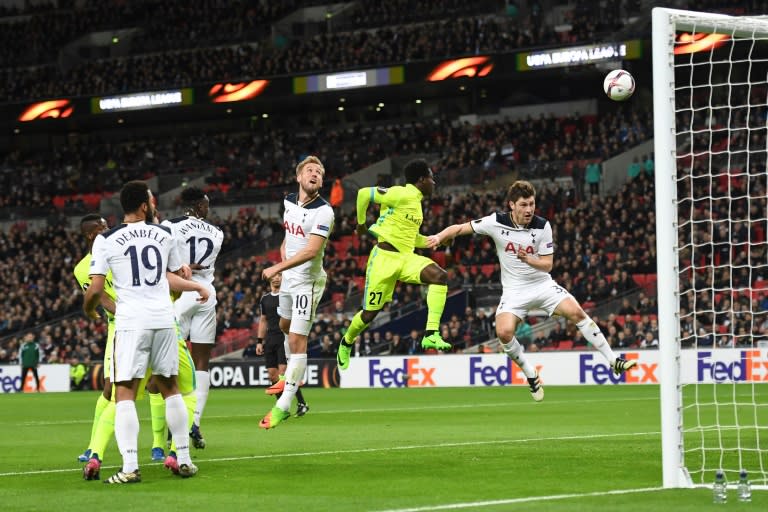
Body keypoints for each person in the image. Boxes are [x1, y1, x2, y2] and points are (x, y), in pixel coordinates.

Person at [428, 180, 637, 401]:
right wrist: (439, 237)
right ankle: (531, 374)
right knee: (504, 333)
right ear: (512, 205)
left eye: (532, 204)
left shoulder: (542, 226)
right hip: (514, 291)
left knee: (576, 313)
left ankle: (614, 361)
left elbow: (548, 265)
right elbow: (460, 228)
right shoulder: (496, 222)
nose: (529, 209)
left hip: (542, 285)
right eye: (524, 205)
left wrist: (530, 259)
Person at [84, 180, 205, 483]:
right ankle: (184, 459)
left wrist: (88, 309)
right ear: (144, 205)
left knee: (124, 393)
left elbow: (96, 288)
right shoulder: (165, 232)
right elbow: (175, 276)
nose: (153, 205)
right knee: (170, 388)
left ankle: (129, 468)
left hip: (131, 322)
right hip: (164, 320)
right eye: (151, 200)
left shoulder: (107, 239)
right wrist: (191, 280)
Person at [336, 158, 451, 370]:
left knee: (440, 276)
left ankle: (431, 333)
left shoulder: (415, 204)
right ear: (422, 179)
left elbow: (411, 238)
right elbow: (363, 194)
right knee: (369, 314)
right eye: (431, 179)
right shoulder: (401, 193)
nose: (434, 183)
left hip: (406, 258)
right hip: (384, 259)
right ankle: (347, 341)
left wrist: (435, 240)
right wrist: (361, 225)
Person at [259, 156, 333, 429]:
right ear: (299, 177)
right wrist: (283, 256)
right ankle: (289, 375)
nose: (314, 174)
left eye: (319, 173)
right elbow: (290, 238)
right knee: (283, 325)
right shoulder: (289, 201)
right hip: (289, 279)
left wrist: (277, 265)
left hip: (307, 283)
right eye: (310, 170)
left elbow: (312, 250)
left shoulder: (324, 211)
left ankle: (284, 404)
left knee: (297, 339)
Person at [162, 186, 224, 450]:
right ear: (198, 205)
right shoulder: (217, 233)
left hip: (180, 294)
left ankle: (174, 425)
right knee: (202, 363)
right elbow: (206, 264)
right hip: (207, 294)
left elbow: (167, 262)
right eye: (206, 204)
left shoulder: (168, 226)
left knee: (171, 363)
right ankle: (194, 423)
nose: (208, 208)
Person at [256, 272, 309, 417]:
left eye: (279, 275)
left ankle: (301, 403)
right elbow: (263, 320)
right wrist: (259, 341)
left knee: (284, 374)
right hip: (270, 339)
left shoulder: (287, 296)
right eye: (274, 275)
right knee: (272, 376)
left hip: (284, 337)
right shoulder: (265, 299)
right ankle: (282, 407)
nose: (277, 278)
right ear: (269, 278)